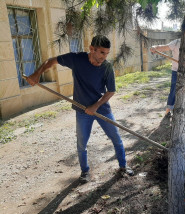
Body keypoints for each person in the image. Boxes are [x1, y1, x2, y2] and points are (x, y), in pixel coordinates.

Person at [24, 35, 134, 183]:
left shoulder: (107, 67)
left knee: (116, 139)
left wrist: (95, 106)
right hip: (82, 111)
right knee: (82, 143)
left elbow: (111, 91)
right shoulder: (76, 59)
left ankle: (123, 166)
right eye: (101, 52)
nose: (104, 57)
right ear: (91, 49)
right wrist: (36, 74)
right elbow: (51, 61)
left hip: (101, 109)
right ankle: (85, 172)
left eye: (107, 53)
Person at [150, 38, 185, 117]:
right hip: (176, 71)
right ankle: (168, 111)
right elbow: (165, 47)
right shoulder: (176, 42)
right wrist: (155, 47)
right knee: (173, 91)